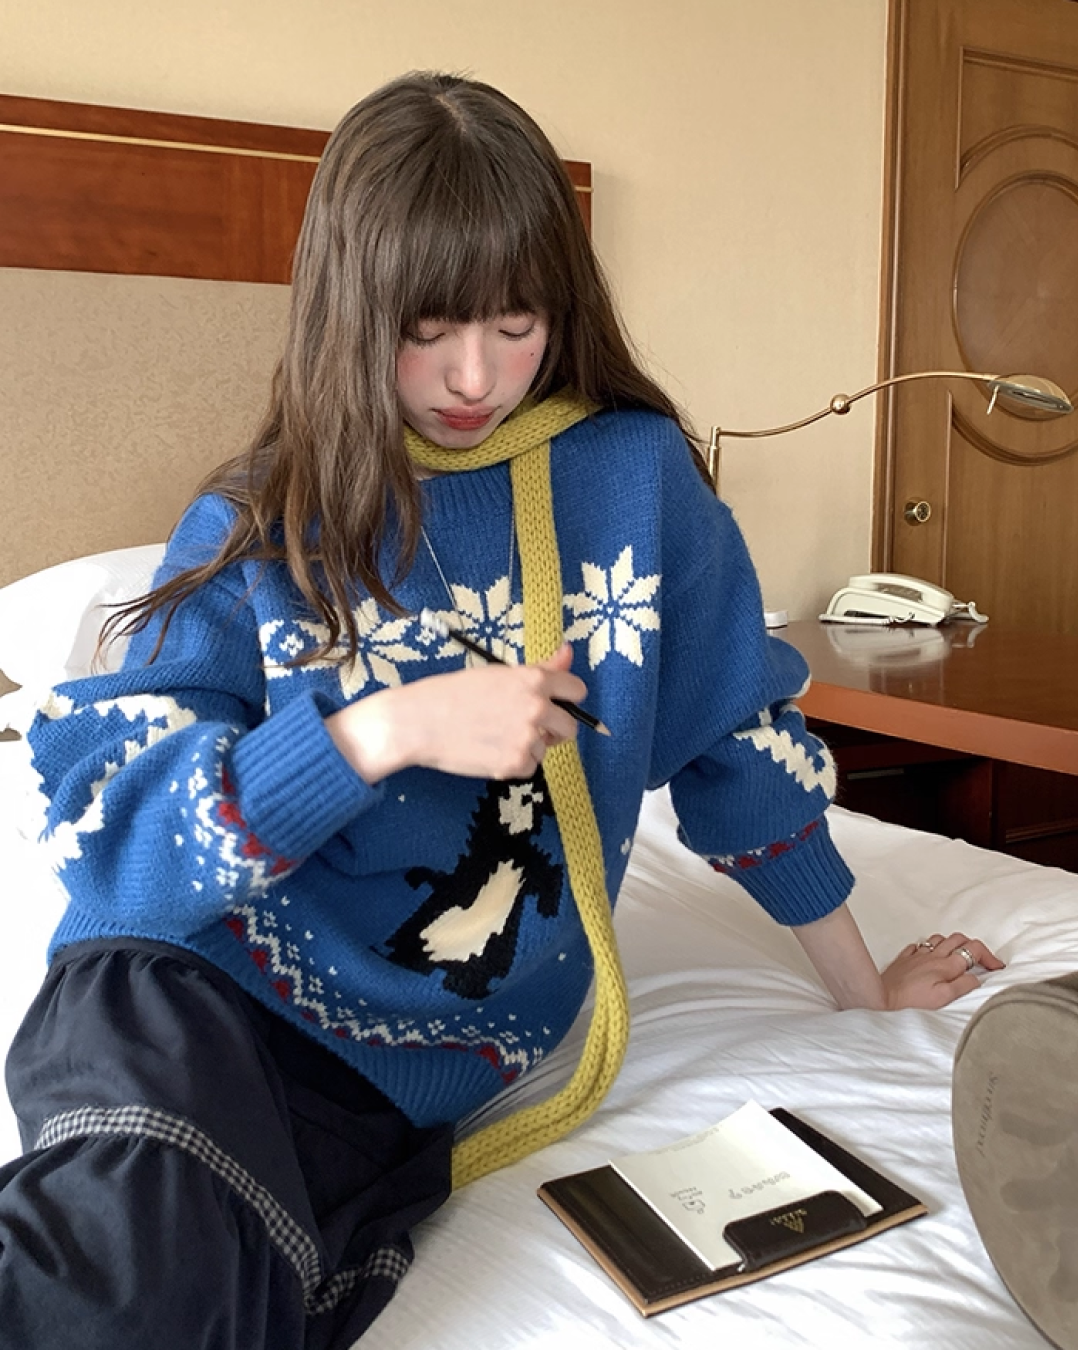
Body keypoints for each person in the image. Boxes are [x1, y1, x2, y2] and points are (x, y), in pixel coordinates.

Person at [0, 71, 1003, 1349]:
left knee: (207, 1310)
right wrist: (380, 735)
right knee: (115, 1285)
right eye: (425, 330)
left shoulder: (636, 479)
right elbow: (115, 842)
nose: (473, 376)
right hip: (190, 987)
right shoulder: (265, 518)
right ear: (350, 312)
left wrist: (863, 994)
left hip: (395, 1065)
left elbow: (736, 739)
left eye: (516, 323)